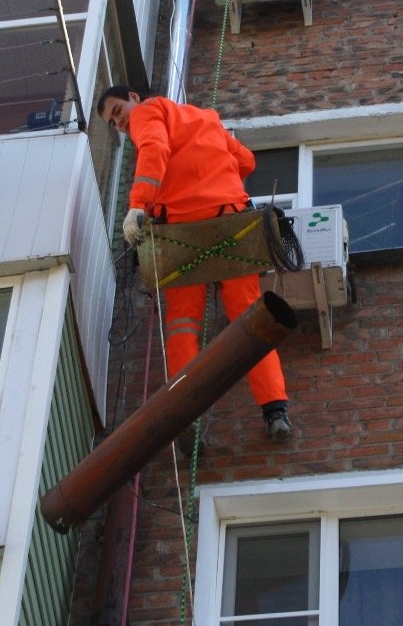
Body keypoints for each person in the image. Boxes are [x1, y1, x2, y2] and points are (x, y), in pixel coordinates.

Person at [97, 85, 293, 441]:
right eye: (113, 121)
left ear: (134, 97)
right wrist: (213, 167)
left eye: (117, 110)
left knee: (183, 325)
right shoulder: (207, 119)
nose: (120, 121)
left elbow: (154, 148)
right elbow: (247, 161)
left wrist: (139, 204)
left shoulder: (147, 113)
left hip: (182, 232)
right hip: (229, 221)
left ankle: (187, 417)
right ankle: (275, 409)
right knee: (250, 318)